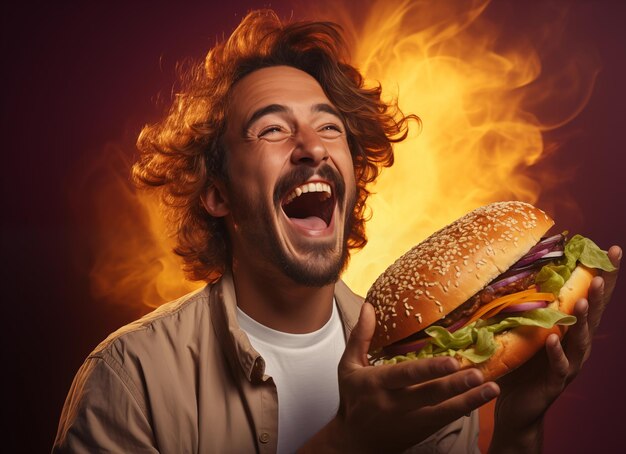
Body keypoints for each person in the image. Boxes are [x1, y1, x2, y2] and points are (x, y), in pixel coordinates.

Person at [53, 10, 621, 454]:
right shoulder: (131, 381)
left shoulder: (423, 358)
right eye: (272, 128)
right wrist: (348, 445)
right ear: (217, 193)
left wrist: (521, 428)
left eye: (329, 128)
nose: (313, 148)